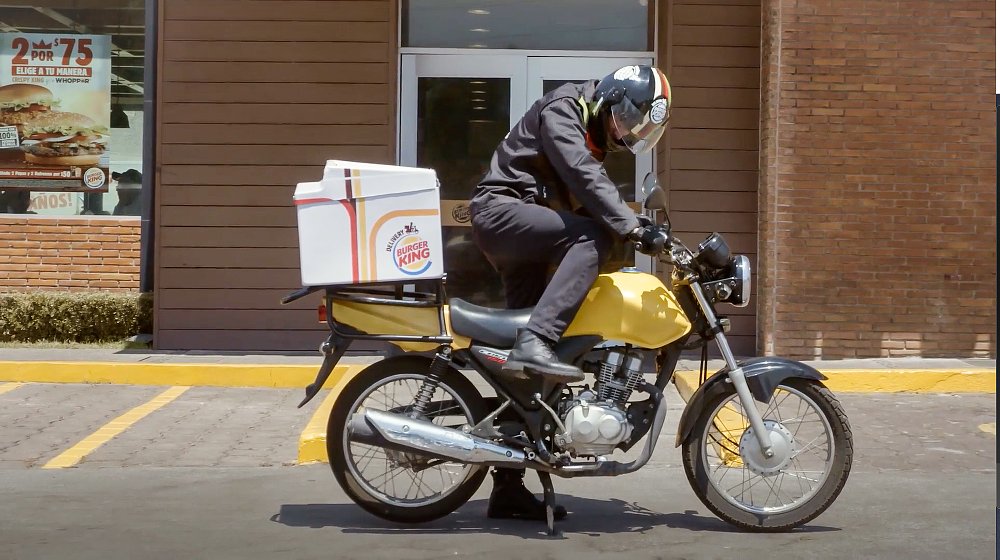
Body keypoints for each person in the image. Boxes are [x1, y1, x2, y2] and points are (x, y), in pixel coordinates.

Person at [469, 65, 673, 521]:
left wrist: (640, 232)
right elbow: (583, 178)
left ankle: (507, 488)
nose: (628, 131)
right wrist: (627, 226)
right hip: (502, 213)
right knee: (590, 240)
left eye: (638, 127)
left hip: (524, 235)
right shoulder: (564, 110)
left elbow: (585, 198)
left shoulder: (593, 135)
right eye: (628, 118)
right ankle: (537, 339)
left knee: (523, 379)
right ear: (612, 100)